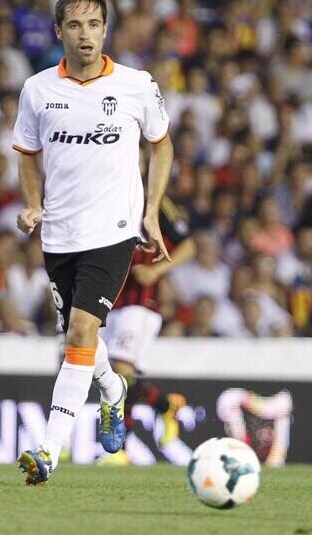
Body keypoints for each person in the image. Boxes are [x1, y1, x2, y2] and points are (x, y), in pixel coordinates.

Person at [13, 0, 173, 485]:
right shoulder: (38, 90)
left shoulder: (136, 85)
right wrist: (33, 205)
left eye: (95, 25)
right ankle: (112, 390)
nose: (86, 35)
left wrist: (151, 213)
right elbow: (26, 153)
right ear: (59, 31)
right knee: (81, 335)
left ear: (106, 29)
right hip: (59, 233)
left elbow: (162, 145)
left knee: (80, 332)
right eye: (76, 25)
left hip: (114, 229)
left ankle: (48, 451)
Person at [97, 196, 196, 466]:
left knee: (120, 372)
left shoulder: (155, 200)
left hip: (141, 302)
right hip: (110, 301)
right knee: (111, 376)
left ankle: (119, 450)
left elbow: (188, 246)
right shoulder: (105, 195)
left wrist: (157, 272)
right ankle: (166, 405)